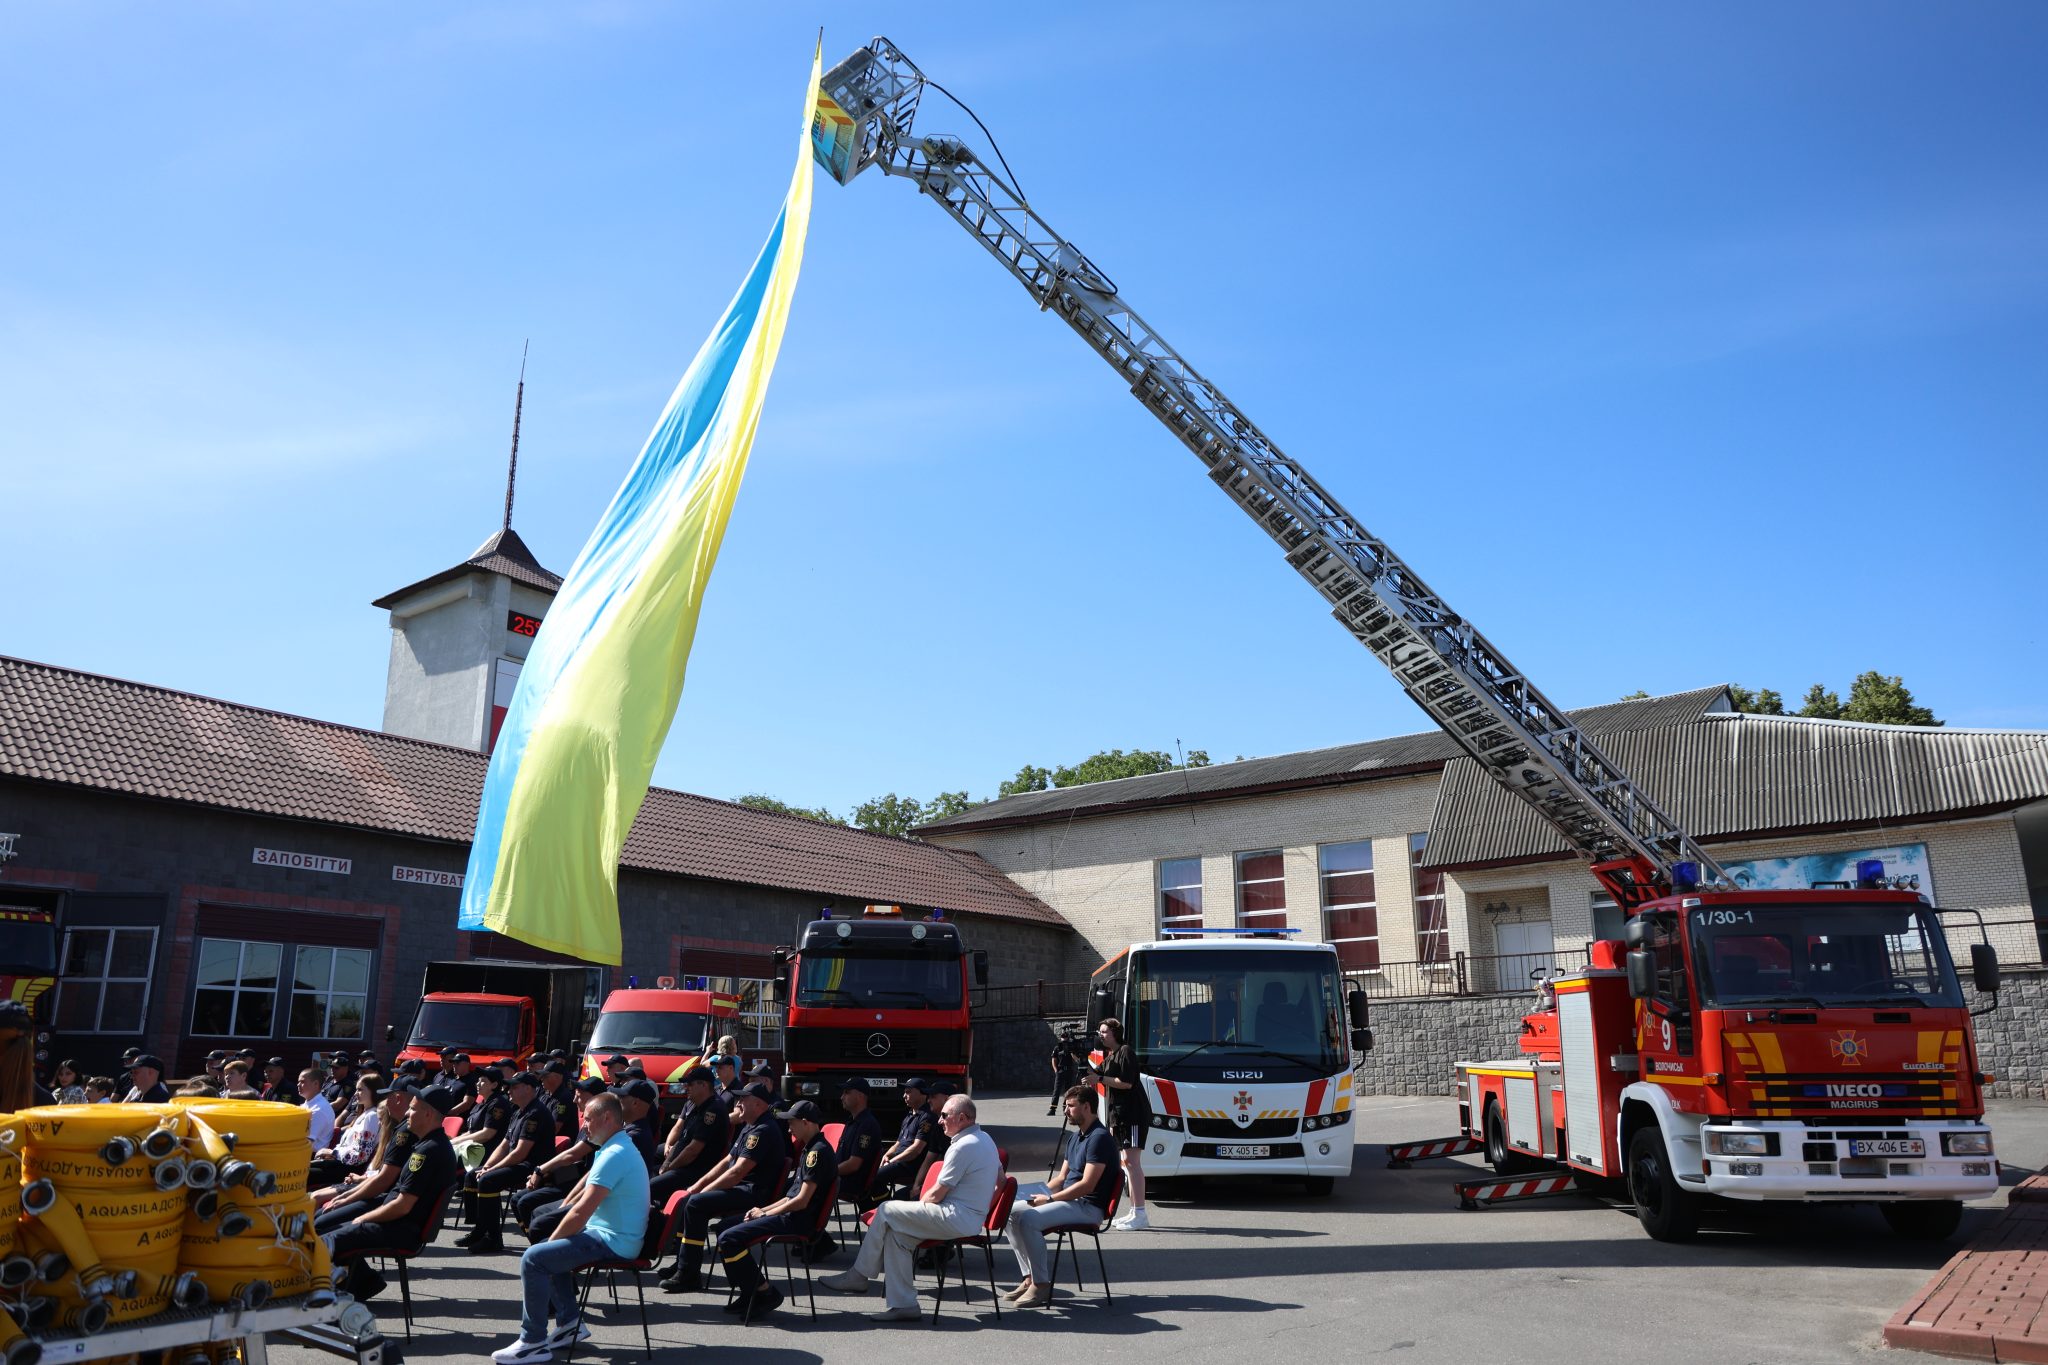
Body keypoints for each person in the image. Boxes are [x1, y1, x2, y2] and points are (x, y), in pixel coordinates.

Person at [490, 1092, 650, 1365]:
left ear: (607, 1118)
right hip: (611, 1234)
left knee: (535, 1258)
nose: (584, 1125)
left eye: (588, 1119)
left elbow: (580, 1211)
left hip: (615, 1241)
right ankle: (569, 1324)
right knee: (547, 1252)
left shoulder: (616, 1153)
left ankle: (533, 1342)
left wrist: (549, 1245)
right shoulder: (614, 1146)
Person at [820, 1093, 1002, 1322]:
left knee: (886, 1209)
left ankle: (859, 1275)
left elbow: (936, 1194)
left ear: (963, 1118)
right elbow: (1001, 1182)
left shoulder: (963, 1147)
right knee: (898, 1236)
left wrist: (918, 1209)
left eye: (945, 1115)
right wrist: (982, 1212)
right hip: (966, 1218)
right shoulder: (986, 1139)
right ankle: (904, 1305)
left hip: (955, 1217)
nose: (939, 1120)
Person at [326, 1086, 463, 1302]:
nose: (407, 1113)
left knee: (328, 1240)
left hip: (402, 1228)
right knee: (331, 1229)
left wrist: (362, 1219)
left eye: (412, 1109)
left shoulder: (428, 1151)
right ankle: (352, 1288)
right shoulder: (429, 1144)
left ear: (428, 1114)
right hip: (399, 1222)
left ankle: (331, 1303)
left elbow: (402, 1205)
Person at [658, 1083, 788, 1294]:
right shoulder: (750, 1125)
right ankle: (685, 1263)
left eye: (743, 1099)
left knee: (696, 1204)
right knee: (691, 1198)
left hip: (754, 1193)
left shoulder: (762, 1130)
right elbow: (726, 1161)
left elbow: (737, 1172)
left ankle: (688, 1273)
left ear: (758, 1103)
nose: (738, 1103)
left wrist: (703, 1191)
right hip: (743, 1188)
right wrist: (698, 1186)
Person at [713, 1100, 835, 1320]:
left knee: (729, 1239)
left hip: (798, 1221)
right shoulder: (810, 1148)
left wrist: (767, 1214)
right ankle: (748, 1290)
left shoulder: (818, 1153)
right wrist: (762, 1208)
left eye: (792, 1123)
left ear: (806, 1123)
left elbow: (802, 1201)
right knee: (724, 1227)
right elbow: (791, 1196)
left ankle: (764, 1292)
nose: (789, 1129)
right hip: (790, 1213)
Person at [1004, 1085, 1118, 1307]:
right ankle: (1029, 1278)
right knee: (1011, 1213)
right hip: (1071, 1201)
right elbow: (1062, 1178)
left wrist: (1049, 1200)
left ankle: (1042, 1285)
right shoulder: (1076, 1137)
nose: (1065, 1110)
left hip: (1088, 1207)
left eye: (1070, 1106)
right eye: (1065, 1105)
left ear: (1087, 1107)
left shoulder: (1099, 1138)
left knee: (1029, 1220)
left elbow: (1087, 1185)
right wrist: (1036, 1192)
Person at [461, 1071, 556, 1253]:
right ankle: (481, 1230)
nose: (508, 1090)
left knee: (488, 1180)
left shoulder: (535, 1113)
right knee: (473, 1176)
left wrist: (492, 1170)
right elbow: (504, 1145)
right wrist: (488, 1165)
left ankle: (493, 1238)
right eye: (508, 1086)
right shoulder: (518, 1111)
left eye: (514, 1086)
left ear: (529, 1089)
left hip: (532, 1166)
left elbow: (521, 1152)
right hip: (518, 1163)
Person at [509, 1077, 607, 1240]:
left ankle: (544, 1244)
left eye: (580, 1095)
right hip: (572, 1176)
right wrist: (547, 1174)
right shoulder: (587, 1122)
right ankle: (539, 1243)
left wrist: (540, 1170)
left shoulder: (599, 1125)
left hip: (580, 1182)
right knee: (518, 1199)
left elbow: (573, 1155)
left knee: (526, 1203)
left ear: (595, 1098)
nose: (575, 1100)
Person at [313, 1083, 418, 1225]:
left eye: (388, 1097)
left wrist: (347, 1197)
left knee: (320, 1219)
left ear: (398, 1098)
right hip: (367, 1181)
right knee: (316, 1205)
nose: (386, 1101)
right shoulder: (397, 1131)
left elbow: (384, 1180)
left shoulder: (403, 1134)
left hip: (375, 1190)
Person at [807, 1077, 883, 1260]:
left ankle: (817, 1241)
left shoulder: (867, 1125)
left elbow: (854, 1165)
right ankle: (813, 1239)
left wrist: (824, 1173)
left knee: (810, 1191)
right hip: (842, 1177)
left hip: (852, 1181)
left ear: (860, 1096)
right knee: (799, 1187)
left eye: (847, 1093)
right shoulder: (852, 1121)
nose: (842, 1097)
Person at [1088, 1017, 1153, 1229]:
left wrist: (1098, 1080)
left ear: (1115, 1033)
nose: (1101, 1035)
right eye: (1100, 1031)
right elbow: (1096, 1074)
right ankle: (1134, 1211)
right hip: (1121, 1115)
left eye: (1105, 1031)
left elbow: (1126, 1082)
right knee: (1127, 1163)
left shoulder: (1125, 1051)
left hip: (1132, 1114)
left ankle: (1140, 1214)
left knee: (1133, 1163)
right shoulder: (1111, 1056)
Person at [650, 1067, 728, 1211]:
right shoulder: (696, 1105)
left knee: (648, 1188)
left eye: (690, 1084)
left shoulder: (712, 1110)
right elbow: (682, 1138)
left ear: (704, 1085)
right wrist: (666, 1163)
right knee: (650, 1168)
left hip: (694, 1170)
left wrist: (669, 1167)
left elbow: (693, 1150)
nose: (686, 1087)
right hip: (683, 1164)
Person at [310, 1075, 384, 1189]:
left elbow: (360, 1156)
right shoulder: (364, 1114)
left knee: (303, 1174)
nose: (355, 1094)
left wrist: (333, 1153)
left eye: (360, 1090)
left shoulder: (372, 1116)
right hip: (340, 1164)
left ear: (373, 1091)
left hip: (349, 1170)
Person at [869, 1078, 936, 1197]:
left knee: (874, 1178)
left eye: (909, 1092)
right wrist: (887, 1155)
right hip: (899, 1160)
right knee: (868, 1172)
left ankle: (882, 1206)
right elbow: (898, 1143)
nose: (904, 1095)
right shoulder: (909, 1115)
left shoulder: (926, 1117)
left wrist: (892, 1161)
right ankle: (882, 1205)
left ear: (922, 1093)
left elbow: (916, 1149)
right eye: (904, 1092)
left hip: (909, 1164)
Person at [298, 1067, 337, 1150]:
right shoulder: (307, 1105)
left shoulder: (319, 1110)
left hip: (310, 1156)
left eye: (302, 1082)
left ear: (316, 1084)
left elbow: (306, 1143)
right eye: (298, 1082)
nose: (298, 1085)